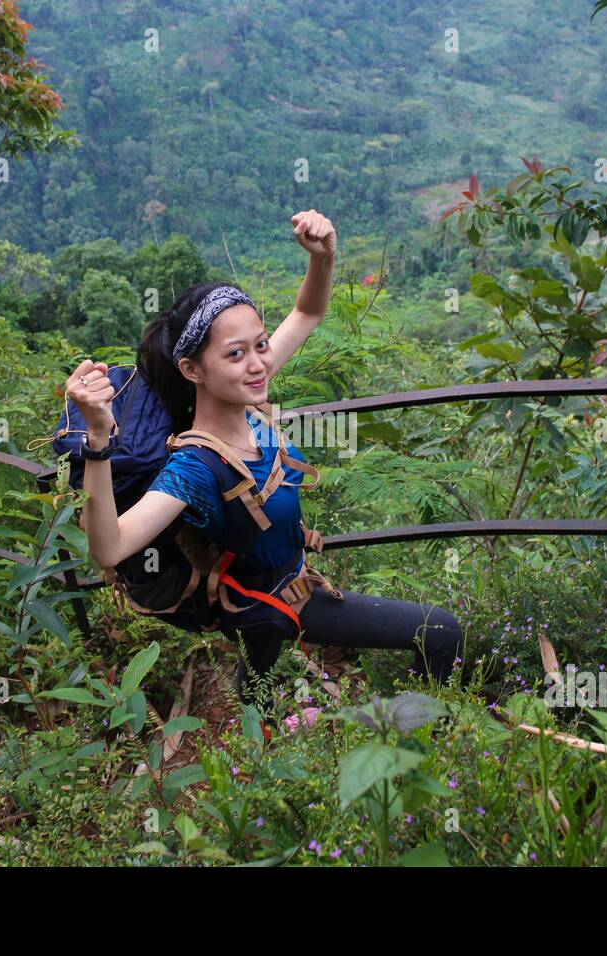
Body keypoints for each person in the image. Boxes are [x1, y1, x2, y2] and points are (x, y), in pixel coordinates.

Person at [66, 209, 465, 702]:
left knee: (259, 669)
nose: (258, 363)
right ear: (193, 370)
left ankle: (255, 745)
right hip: (274, 601)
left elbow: (307, 314)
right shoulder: (194, 466)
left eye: (260, 345)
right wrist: (98, 441)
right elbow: (109, 549)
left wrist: (323, 258)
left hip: (250, 597)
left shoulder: (250, 402)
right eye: (236, 354)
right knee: (442, 631)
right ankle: (438, 739)